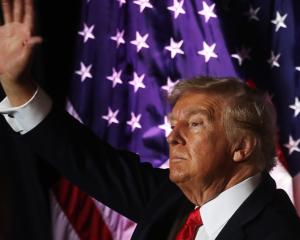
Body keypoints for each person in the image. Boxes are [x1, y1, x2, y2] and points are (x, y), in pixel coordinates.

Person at [0, 0, 299, 239]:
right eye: (173, 126)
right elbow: (87, 160)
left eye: (194, 124)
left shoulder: (276, 232)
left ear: (241, 146)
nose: (172, 137)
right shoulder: (171, 199)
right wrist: (19, 86)